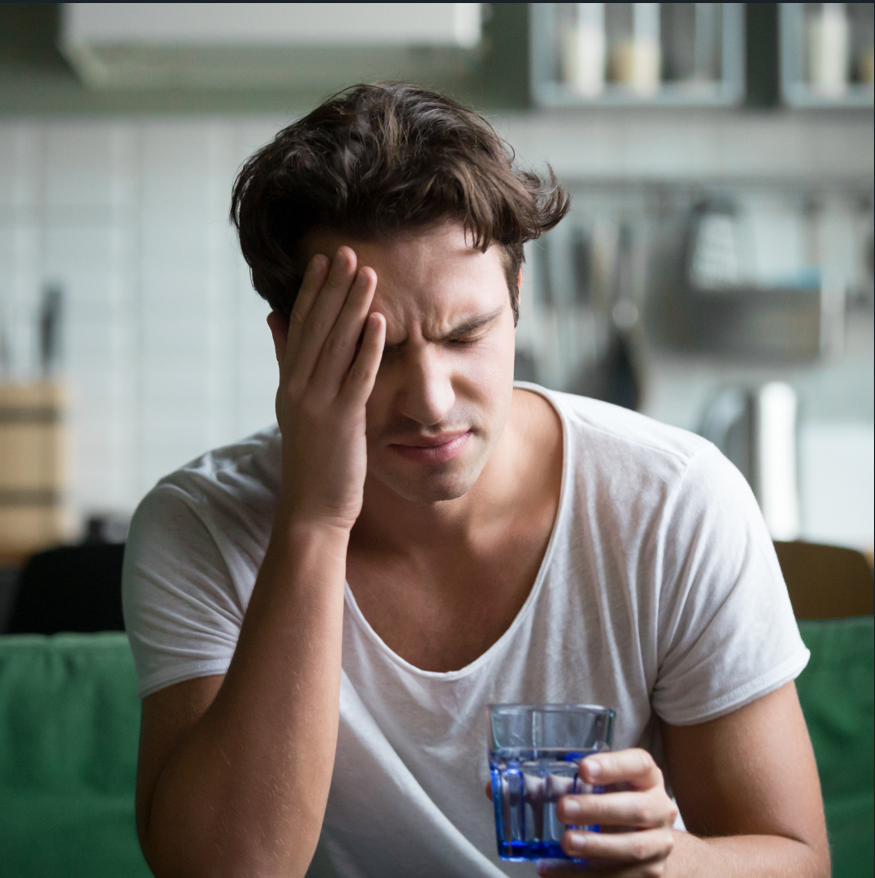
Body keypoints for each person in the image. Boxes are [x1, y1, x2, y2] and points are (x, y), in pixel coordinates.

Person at [122, 83, 829, 878]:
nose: (429, 400)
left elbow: (796, 859)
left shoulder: (673, 502)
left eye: (467, 333)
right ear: (289, 348)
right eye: (375, 348)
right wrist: (315, 520)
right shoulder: (201, 525)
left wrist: (672, 864)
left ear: (516, 298)